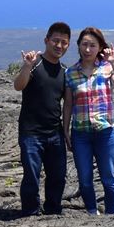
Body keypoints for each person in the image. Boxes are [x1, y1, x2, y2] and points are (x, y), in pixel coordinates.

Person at [63, 27, 114, 216]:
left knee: (108, 177)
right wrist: (65, 130)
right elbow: (68, 104)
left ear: (100, 47)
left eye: (93, 45)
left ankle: (111, 214)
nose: (88, 49)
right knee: (84, 179)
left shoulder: (106, 67)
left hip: (105, 132)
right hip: (80, 133)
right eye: (84, 44)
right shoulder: (70, 73)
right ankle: (92, 212)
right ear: (78, 46)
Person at [14, 21, 71, 216]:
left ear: (68, 45)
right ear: (46, 40)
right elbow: (18, 86)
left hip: (54, 133)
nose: (59, 46)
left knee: (58, 176)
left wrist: (66, 130)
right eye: (56, 41)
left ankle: (53, 210)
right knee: (31, 175)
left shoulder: (65, 71)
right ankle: (30, 211)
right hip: (31, 133)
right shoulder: (35, 64)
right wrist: (26, 66)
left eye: (64, 42)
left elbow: (66, 103)